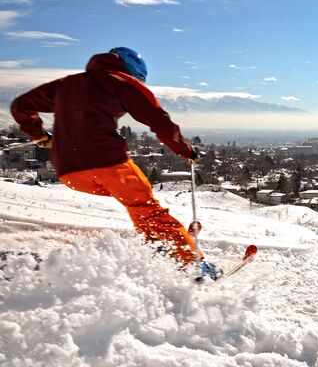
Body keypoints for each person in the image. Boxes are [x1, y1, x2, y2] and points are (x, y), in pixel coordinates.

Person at [10, 47, 219, 278]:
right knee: (148, 209)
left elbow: (20, 105)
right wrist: (185, 150)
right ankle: (192, 265)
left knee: (137, 205)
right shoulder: (122, 81)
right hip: (107, 162)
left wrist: (39, 135)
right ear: (134, 70)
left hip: (69, 172)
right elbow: (158, 120)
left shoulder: (66, 84)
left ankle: (159, 248)